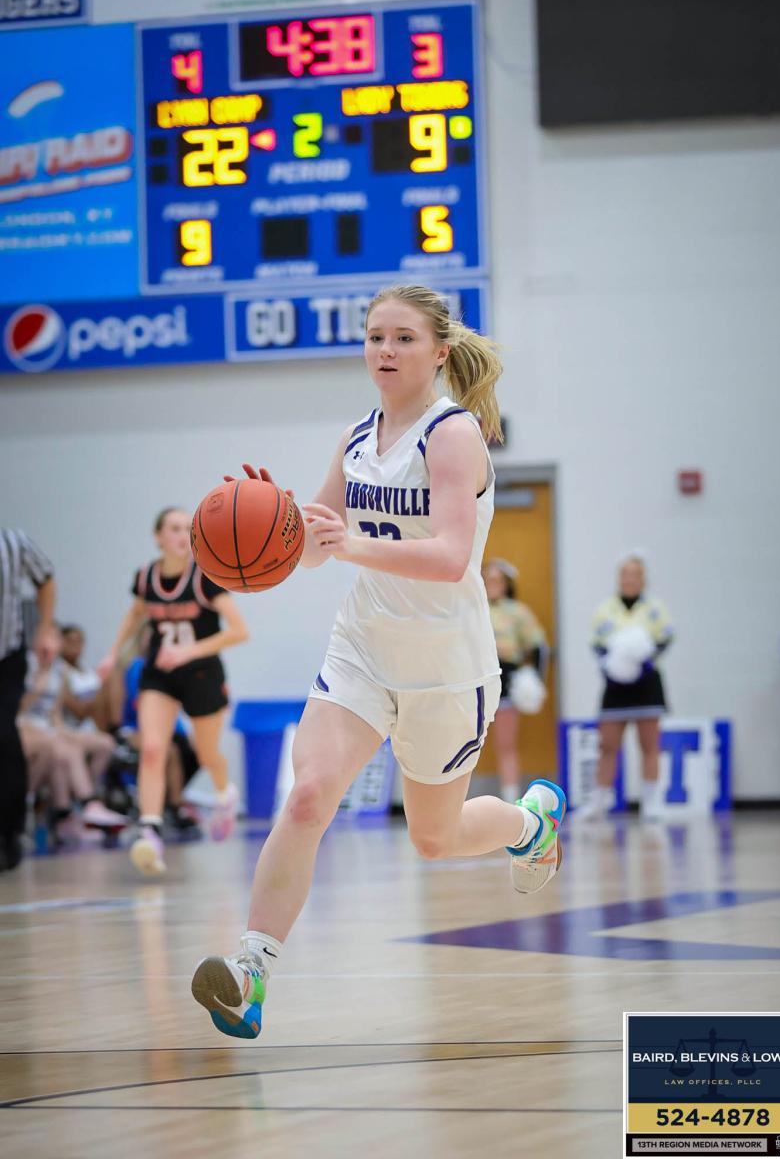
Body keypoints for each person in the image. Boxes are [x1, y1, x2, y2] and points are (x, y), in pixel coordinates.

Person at [191, 284, 566, 1040]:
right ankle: (250, 970)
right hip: (361, 650)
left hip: (445, 669)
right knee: (307, 798)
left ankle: (530, 826)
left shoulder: (452, 435)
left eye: (402, 338)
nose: (385, 351)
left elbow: (452, 557)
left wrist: (348, 544)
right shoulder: (357, 437)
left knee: (434, 839)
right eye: (374, 337)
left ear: (439, 351)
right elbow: (310, 549)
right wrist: (277, 521)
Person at [97, 507, 249, 875]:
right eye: (175, 528)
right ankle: (150, 831)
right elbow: (135, 615)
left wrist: (187, 651)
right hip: (160, 674)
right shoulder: (146, 577)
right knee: (152, 749)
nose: (183, 535)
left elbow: (239, 631)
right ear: (158, 537)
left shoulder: (205, 577)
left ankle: (224, 795)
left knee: (208, 753)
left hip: (201, 673)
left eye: (187, 529)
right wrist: (113, 653)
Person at [576, 552, 674, 822]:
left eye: (635, 575)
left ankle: (651, 803)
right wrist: (610, 664)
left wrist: (645, 660)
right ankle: (598, 802)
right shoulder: (606, 609)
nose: (629, 579)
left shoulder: (655, 608)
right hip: (615, 685)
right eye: (625, 574)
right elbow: (596, 643)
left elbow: (665, 638)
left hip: (646, 683)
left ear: (643, 579)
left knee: (649, 744)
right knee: (607, 745)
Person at [17, 649, 128, 841]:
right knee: (66, 751)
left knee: (106, 743)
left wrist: (67, 733)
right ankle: (85, 804)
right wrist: (37, 689)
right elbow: (17, 711)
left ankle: (81, 804)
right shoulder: (25, 666)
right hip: (24, 726)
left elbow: (54, 716)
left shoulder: (58, 671)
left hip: (48, 729)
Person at [0, 528, 59, 871]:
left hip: (6, 655)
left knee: (4, 736)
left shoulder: (13, 541)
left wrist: (45, 628)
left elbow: (45, 577)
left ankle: (9, 833)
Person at [482, 558, 549, 802]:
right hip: (475, 678)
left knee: (505, 744)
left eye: (498, 580)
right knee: (465, 742)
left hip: (506, 678)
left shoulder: (517, 611)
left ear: (506, 584)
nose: (493, 585)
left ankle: (510, 800)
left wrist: (535, 681)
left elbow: (539, 646)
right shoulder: (471, 607)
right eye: (488, 580)